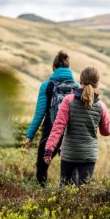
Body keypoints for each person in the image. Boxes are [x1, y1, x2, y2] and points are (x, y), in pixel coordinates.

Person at [43, 66, 110, 186]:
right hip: (88, 154)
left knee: (64, 188)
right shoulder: (101, 106)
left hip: (69, 153)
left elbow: (58, 127)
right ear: (97, 83)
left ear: (80, 81)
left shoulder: (68, 100)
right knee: (84, 191)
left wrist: (49, 150)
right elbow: (106, 132)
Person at [25, 50, 77, 186]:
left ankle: (42, 194)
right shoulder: (77, 88)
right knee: (70, 167)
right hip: (71, 131)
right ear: (68, 68)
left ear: (53, 68)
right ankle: (70, 196)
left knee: (42, 165)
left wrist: (29, 135)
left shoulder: (47, 86)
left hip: (50, 130)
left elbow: (39, 114)